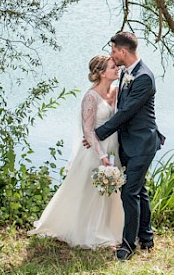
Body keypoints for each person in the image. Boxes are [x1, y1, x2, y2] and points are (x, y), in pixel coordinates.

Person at [29, 55, 123, 249]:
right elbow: (87, 131)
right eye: (113, 67)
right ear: (102, 73)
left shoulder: (116, 91)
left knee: (111, 192)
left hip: (113, 147)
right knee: (91, 192)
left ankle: (111, 229)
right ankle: (90, 232)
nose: (118, 69)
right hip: (95, 151)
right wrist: (102, 156)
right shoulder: (90, 97)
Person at [90, 31, 164, 261]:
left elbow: (126, 112)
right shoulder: (126, 73)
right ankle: (146, 237)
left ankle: (128, 246)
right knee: (139, 190)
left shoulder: (143, 77)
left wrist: (97, 134)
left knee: (129, 192)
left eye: (114, 51)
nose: (112, 55)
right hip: (128, 142)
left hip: (142, 143)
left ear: (123, 51)